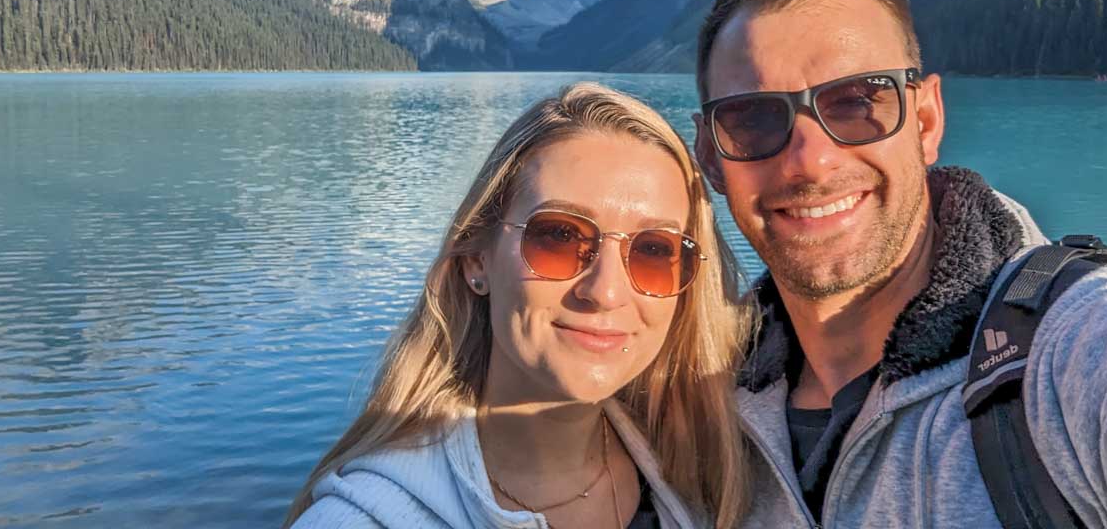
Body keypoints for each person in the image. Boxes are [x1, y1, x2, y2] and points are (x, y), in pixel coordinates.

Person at [692, 0, 1107, 528]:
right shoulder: (697, 409)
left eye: (858, 103)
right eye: (754, 118)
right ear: (711, 156)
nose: (809, 163)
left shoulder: (1078, 349)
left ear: (926, 121)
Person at [285, 83, 756, 529]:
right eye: (558, 235)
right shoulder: (362, 519)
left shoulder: (707, 479)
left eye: (655, 250)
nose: (606, 291)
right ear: (477, 259)